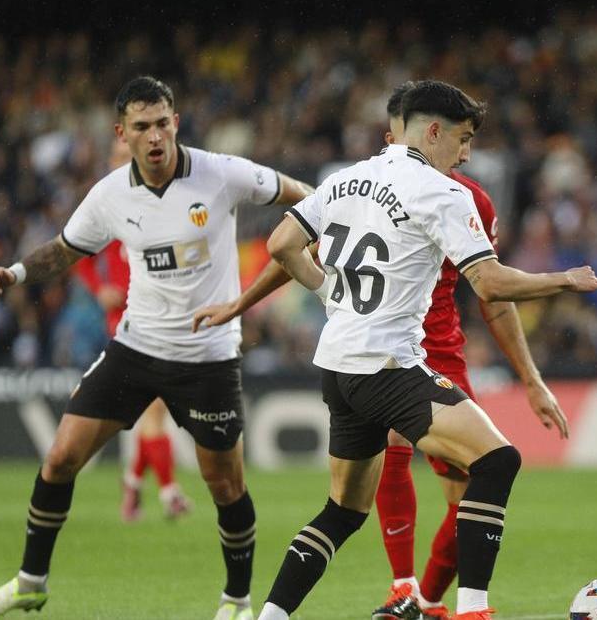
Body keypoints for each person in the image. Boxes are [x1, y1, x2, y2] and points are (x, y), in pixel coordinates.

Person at [192, 82, 572, 619]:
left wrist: (324, 290)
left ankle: (274, 615)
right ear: (430, 132)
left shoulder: (344, 179)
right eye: (462, 140)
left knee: (343, 510)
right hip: (393, 361)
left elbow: (281, 245)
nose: (466, 154)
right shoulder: (447, 193)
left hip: (340, 363)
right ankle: (468, 610)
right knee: (497, 460)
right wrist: (565, 280)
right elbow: (489, 285)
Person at [0, 76, 313, 620]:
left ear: (175, 122)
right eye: (141, 127)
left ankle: (237, 601)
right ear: (121, 133)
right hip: (137, 347)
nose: (154, 137)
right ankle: (30, 582)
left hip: (209, 356)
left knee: (225, 483)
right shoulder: (109, 195)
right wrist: (12, 272)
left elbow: (303, 196)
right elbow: (62, 251)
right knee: (59, 458)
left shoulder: (220, 173)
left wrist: (322, 228)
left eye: (162, 124)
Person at [72, 137, 192, 523]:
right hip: (127, 319)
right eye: (122, 157)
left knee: (149, 406)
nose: (130, 163)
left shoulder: (157, 200)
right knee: (154, 406)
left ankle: (134, 484)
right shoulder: (108, 203)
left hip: (161, 314)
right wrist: (99, 289)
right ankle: (169, 491)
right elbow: (78, 255)